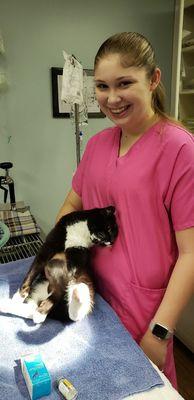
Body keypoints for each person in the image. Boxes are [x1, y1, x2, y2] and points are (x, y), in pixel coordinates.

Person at [56, 32, 194, 388]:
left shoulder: (179, 149)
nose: (111, 98)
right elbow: (73, 203)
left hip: (145, 313)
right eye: (102, 86)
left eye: (124, 83)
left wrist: (160, 333)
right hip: (93, 298)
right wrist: (63, 260)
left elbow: (191, 253)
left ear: (154, 79)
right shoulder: (100, 145)